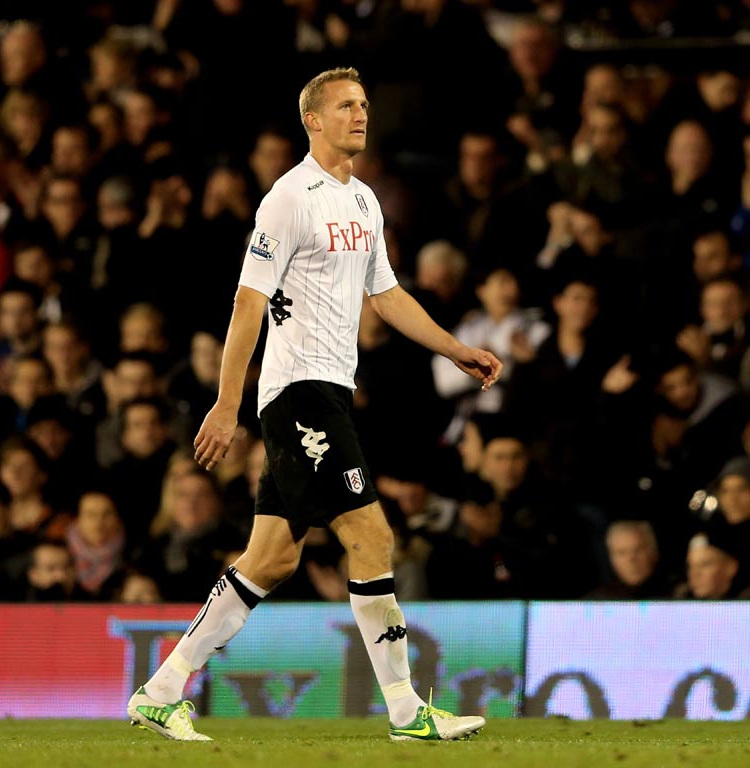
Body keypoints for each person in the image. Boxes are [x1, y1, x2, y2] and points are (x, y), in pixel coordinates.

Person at [127, 68, 499, 743]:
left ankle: (161, 688)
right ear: (315, 121)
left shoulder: (363, 202)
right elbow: (247, 302)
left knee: (271, 558)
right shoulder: (288, 199)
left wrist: (453, 348)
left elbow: (386, 296)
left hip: (328, 394)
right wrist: (226, 402)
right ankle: (406, 709)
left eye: (364, 105)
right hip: (297, 393)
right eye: (346, 107)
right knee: (372, 536)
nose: (361, 115)